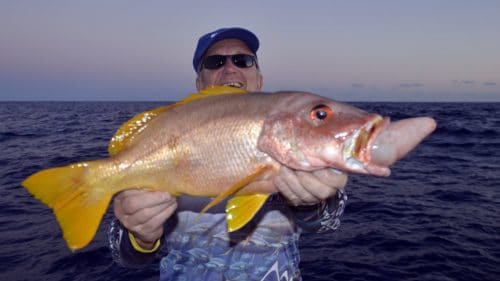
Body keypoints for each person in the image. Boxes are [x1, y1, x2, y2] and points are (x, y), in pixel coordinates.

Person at [108, 27, 348, 281]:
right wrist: (141, 236)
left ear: (259, 79)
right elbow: (122, 255)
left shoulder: (296, 133)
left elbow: (328, 223)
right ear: (200, 84)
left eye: (243, 60)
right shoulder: (165, 139)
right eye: (215, 62)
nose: (230, 69)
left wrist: (311, 201)